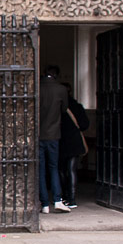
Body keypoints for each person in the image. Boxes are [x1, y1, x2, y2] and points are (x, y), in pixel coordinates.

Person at [38, 65, 70, 213]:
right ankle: (57, 200)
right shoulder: (61, 89)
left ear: (44, 73)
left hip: (38, 134)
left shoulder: (37, 87)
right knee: (53, 167)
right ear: (56, 75)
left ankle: (44, 204)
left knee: (40, 169)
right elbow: (64, 110)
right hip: (53, 135)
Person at [58, 83, 89, 208]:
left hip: (60, 141)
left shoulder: (58, 106)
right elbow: (85, 124)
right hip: (74, 141)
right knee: (72, 170)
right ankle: (72, 198)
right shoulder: (77, 106)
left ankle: (64, 196)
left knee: (60, 170)